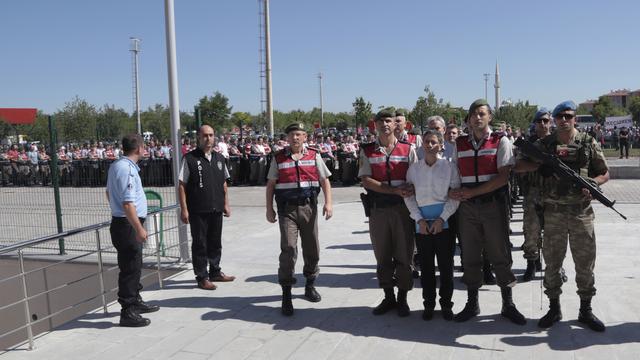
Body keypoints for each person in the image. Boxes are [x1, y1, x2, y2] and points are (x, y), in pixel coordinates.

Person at [516, 100, 609, 332]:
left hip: (581, 214)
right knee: (552, 264)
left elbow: (605, 173)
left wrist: (592, 183)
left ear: (575, 118)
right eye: (559, 117)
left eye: (568, 116)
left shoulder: (588, 142)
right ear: (554, 121)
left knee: (585, 265)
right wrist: (539, 166)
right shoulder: (545, 144)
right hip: (554, 215)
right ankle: (554, 308)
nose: (564, 120)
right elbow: (518, 165)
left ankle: (585, 310)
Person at [449, 99, 526, 325]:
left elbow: (503, 177)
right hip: (467, 207)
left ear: (489, 117)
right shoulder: (459, 143)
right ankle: (472, 303)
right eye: (473, 114)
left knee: (499, 253)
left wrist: (472, 193)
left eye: (482, 113)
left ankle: (508, 304)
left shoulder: (500, 141)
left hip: (493, 204)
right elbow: (454, 171)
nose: (477, 117)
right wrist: (453, 191)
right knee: (470, 254)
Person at [265, 122, 333, 316]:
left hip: (308, 208)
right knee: (288, 247)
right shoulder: (278, 158)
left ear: (305, 137)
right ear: (287, 138)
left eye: (299, 134)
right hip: (287, 210)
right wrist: (269, 209)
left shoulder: (314, 155)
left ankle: (310, 284)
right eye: (292, 134)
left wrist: (329, 203)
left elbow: (324, 180)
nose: (295, 138)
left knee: (312, 248)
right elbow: (271, 185)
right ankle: (286, 293)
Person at [359, 108, 417, 317]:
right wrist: (392, 190)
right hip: (379, 210)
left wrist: (412, 188)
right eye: (380, 121)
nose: (385, 124)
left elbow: (416, 176)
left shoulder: (408, 149)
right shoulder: (367, 150)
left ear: (396, 124)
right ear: (374, 125)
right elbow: (365, 179)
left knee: (404, 254)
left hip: (403, 210)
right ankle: (388, 296)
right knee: (382, 255)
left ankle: (402, 298)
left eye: (389, 121)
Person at [404, 130, 460, 321]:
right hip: (422, 225)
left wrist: (441, 219)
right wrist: (418, 219)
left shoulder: (449, 167)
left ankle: (446, 304)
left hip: (443, 223)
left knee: (446, 267)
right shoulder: (414, 169)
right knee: (426, 268)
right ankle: (428, 304)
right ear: (422, 145)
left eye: (434, 142)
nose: (429, 145)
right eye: (427, 142)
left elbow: (455, 196)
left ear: (441, 144)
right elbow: (409, 196)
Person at [106, 134, 159, 327]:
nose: (144, 150)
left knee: (134, 265)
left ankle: (135, 300)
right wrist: (138, 228)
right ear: (138, 149)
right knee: (130, 268)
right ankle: (127, 311)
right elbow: (128, 203)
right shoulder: (127, 169)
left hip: (123, 222)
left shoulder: (116, 166)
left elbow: (108, 193)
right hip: (127, 225)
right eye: (144, 147)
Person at [179, 125, 234, 291]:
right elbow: (182, 184)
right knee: (200, 244)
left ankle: (215, 271)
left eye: (211, 135)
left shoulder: (219, 158)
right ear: (198, 137)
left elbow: (224, 182)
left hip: (216, 208)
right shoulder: (189, 158)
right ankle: (202, 277)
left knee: (215, 242)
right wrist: (184, 209)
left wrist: (226, 203)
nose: (208, 138)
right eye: (204, 136)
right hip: (198, 210)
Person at [519, 108, 552, 281]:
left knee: (554, 233)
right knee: (531, 230)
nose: (543, 124)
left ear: (550, 123)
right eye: (539, 121)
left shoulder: (557, 142)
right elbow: (517, 166)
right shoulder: (528, 145)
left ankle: (554, 266)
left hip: (554, 194)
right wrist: (537, 166)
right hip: (533, 192)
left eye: (546, 121)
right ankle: (531, 263)